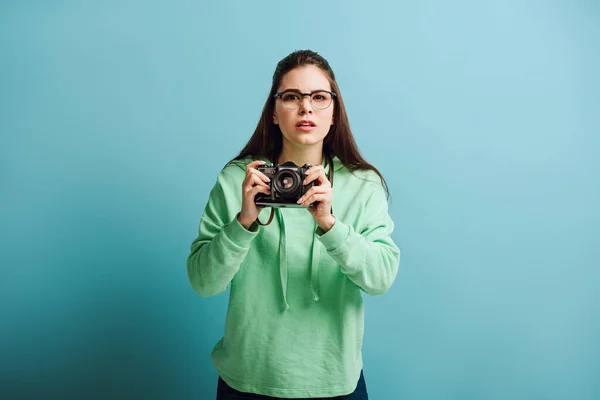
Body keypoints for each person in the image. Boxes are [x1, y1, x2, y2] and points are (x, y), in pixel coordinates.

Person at [186, 49, 401, 400]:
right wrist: (244, 221)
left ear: (334, 113)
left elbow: (380, 279)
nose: (306, 108)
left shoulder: (363, 185)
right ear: (273, 112)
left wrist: (330, 225)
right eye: (291, 97)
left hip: (333, 382)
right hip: (247, 379)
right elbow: (202, 282)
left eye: (319, 98)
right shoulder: (238, 180)